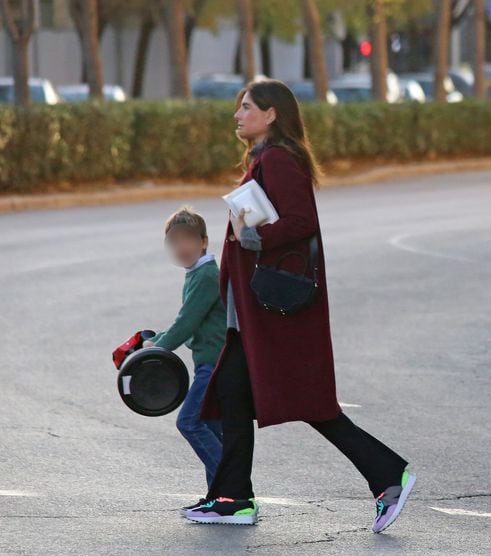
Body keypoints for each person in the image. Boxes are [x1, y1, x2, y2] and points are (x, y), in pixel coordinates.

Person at [183, 79, 415, 530]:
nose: (238, 115)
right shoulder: (264, 159)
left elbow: (302, 221)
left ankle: (388, 475)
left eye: (246, 107)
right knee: (233, 395)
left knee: (310, 403)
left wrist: (256, 237)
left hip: (275, 315)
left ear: (271, 115)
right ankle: (233, 499)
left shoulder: (278, 160)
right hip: (254, 315)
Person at [144, 206, 225, 489]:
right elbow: (187, 318)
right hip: (209, 362)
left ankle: (232, 488)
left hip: (214, 364)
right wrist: (156, 339)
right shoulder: (197, 273)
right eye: (175, 242)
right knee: (213, 428)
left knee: (190, 423)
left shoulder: (205, 276)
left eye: (188, 240)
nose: (182, 247)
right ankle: (219, 495)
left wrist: (156, 349)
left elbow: (187, 323)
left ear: (204, 241)